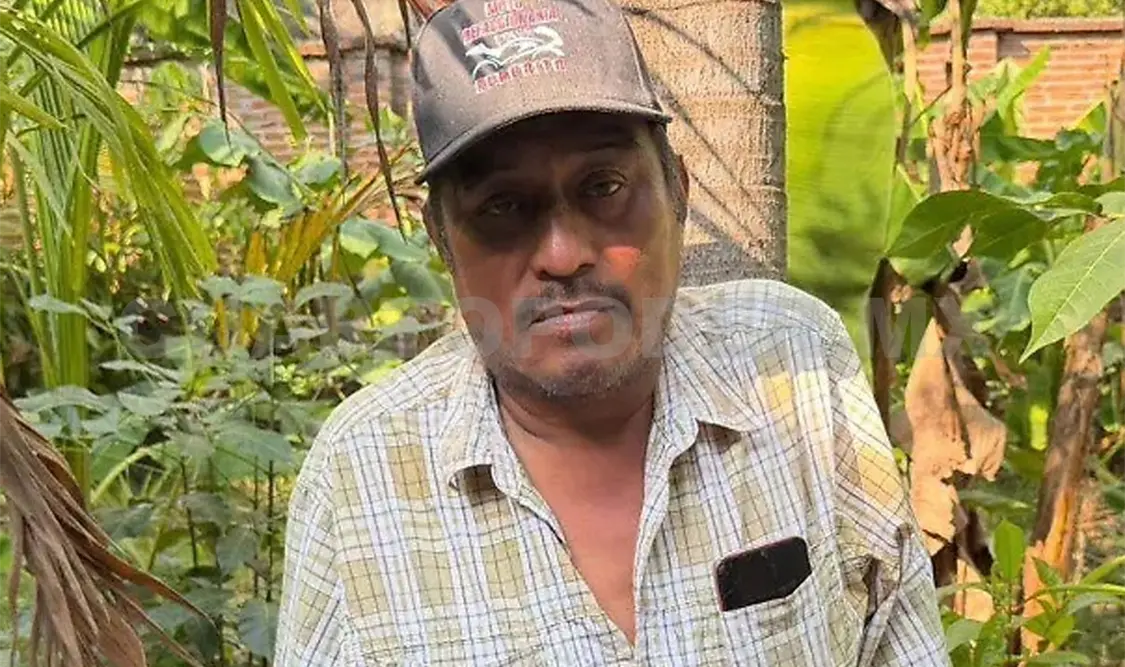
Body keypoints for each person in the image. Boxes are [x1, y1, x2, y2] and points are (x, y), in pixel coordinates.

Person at [273, 0, 952, 663]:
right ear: (442, 240)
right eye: (502, 207)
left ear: (677, 190)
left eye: (603, 187)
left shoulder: (794, 367)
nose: (563, 254)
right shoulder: (362, 476)